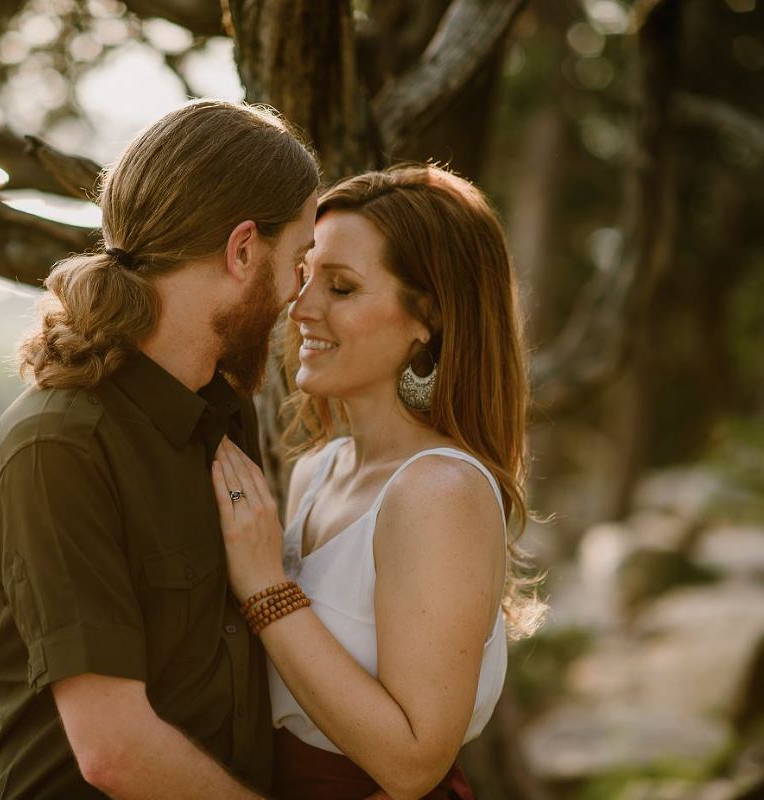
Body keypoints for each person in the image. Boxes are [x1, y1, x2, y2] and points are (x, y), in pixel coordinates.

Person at [0, 99, 318, 799]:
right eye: (300, 262)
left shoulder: (222, 413)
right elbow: (115, 749)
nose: (300, 298)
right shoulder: (57, 448)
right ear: (244, 250)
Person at [210, 164, 546, 800]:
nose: (301, 307)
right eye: (305, 276)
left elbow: (414, 764)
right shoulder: (317, 469)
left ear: (428, 318)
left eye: (341, 287)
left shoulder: (438, 493)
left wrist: (264, 588)